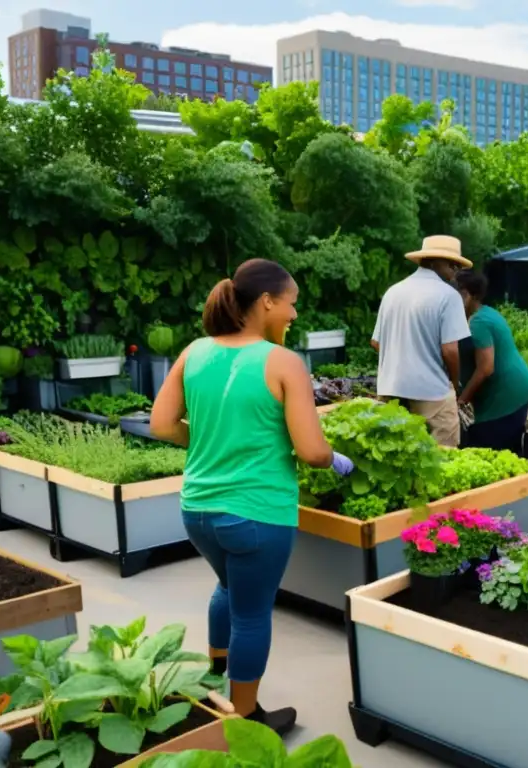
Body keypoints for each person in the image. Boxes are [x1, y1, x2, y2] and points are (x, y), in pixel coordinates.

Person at [150, 259, 354, 735]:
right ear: (266, 303)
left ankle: (216, 680)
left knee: (227, 588)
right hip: (257, 514)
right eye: (291, 304)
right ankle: (243, 718)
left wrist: (211, 441)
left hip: (198, 510)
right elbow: (311, 451)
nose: (294, 315)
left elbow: (161, 425)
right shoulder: (282, 362)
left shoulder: (194, 352)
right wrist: (336, 460)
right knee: (252, 611)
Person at [371, 235, 473, 447]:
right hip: (431, 391)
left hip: (391, 387)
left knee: (396, 453)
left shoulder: (393, 292)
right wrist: (454, 385)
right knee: (443, 456)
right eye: (453, 264)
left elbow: (376, 343)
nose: (456, 270)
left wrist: (400, 362)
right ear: (435, 261)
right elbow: (450, 351)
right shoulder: (448, 296)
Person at [454, 270, 528, 453]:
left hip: (505, 395)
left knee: (486, 447)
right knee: (508, 448)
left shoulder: (479, 322)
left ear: (468, 295)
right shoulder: (487, 312)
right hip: (515, 390)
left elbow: (486, 368)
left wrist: (461, 400)